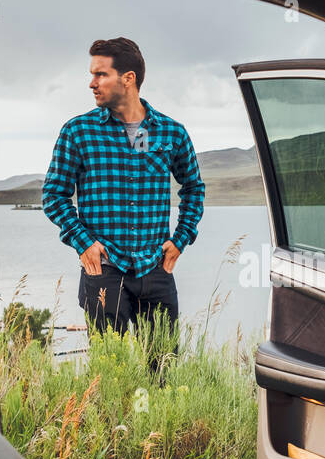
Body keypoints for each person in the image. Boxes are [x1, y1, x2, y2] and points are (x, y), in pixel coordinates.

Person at [42, 36, 205, 345]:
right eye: (92, 74)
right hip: (104, 270)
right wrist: (84, 243)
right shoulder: (78, 131)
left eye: (101, 74)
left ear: (128, 79)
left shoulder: (171, 132)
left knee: (163, 371)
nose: (92, 83)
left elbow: (193, 187)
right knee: (109, 373)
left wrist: (180, 240)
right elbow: (53, 195)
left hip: (155, 267)